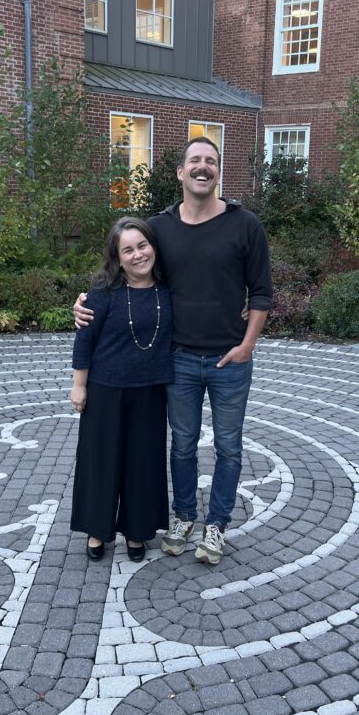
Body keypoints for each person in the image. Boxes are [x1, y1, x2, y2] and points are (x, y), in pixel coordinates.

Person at [75, 137, 271, 566]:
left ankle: (216, 525)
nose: (203, 167)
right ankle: (183, 517)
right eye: (195, 161)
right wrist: (85, 303)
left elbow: (261, 293)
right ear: (180, 173)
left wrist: (247, 346)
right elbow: (128, 271)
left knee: (229, 447)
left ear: (219, 171)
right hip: (178, 360)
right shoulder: (158, 228)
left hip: (229, 361)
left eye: (211, 161)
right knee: (181, 446)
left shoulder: (245, 225)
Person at [70, 216, 173, 563]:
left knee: (142, 463)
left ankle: (137, 530)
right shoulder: (103, 292)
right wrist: (78, 386)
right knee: (101, 462)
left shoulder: (168, 287)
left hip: (151, 390)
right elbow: (85, 339)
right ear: (117, 257)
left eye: (142, 245)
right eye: (127, 250)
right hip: (105, 390)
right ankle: (98, 530)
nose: (138, 255)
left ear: (153, 247)